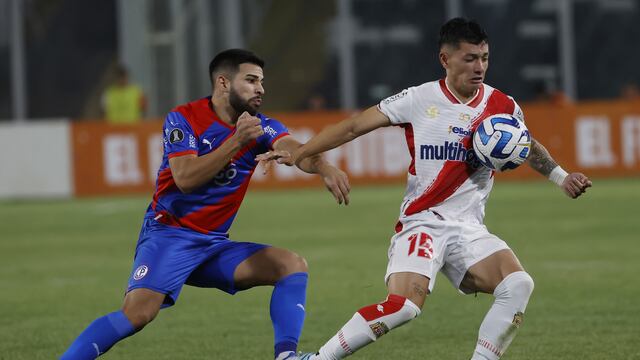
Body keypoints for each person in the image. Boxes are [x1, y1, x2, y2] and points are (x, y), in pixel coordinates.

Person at [260, 18, 592, 359]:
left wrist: (561, 177)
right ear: (445, 60)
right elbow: (353, 127)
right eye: (470, 59)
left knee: (518, 284)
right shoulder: (418, 99)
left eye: (485, 58)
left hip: (469, 229)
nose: (480, 67)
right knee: (403, 306)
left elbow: (527, 145)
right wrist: (301, 152)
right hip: (423, 223)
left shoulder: (502, 106)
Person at [60, 49, 350, 360]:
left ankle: (286, 356)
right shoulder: (184, 119)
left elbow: (295, 148)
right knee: (137, 314)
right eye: (251, 80)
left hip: (212, 245)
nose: (260, 89)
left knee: (290, 265)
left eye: (262, 82)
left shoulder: (259, 126)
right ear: (223, 82)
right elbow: (185, 178)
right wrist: (237, 142)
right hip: (170, 235)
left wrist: (323, 167)